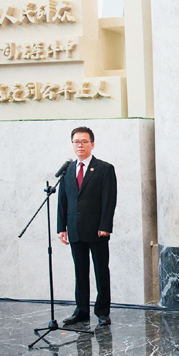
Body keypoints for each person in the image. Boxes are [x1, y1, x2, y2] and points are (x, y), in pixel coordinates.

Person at [58, 127, 118, 327]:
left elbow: (109, 200)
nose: (80, 145)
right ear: (72, 144)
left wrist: (105, 225)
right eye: (76, 141)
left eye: (84, 141)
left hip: (97, 230)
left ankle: (102, 311)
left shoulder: (104, 168)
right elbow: (62, 201)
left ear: (92, 144)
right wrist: (61, 227)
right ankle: (81, 310)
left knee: (101, 271)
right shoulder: (67, 170)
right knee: (80, 272)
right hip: (75, 229)